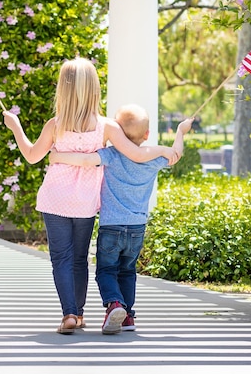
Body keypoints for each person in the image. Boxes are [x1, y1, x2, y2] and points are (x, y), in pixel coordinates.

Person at [2, 58, 180, 335]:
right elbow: (134, 153)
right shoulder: (106, 126)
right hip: (85, 202)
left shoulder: (55, 125)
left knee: (60, 258)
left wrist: (15, 127)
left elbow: (32, 156)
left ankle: (70, 314)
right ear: (94, 89)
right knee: (79, 259)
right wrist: (164, 150)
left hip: (54, 199)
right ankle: (81, 313)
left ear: (63, 89)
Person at [49, 104, 193, 334]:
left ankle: (114, 303)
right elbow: (176, 154)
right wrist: (180, 131)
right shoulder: (154, 158)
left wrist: (58, 156)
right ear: (146, 135)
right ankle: (128, 317)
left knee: (106, 271)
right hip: (137, 227)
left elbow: (86, 161)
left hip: (111, 227)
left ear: (116, 135)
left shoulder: (112, 155)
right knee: (128, 270)